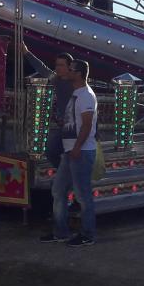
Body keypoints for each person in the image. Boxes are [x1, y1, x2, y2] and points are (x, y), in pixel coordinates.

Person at [41, 59, 98, 247]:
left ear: (79, 74)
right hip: (70, 150)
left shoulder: (86, 96)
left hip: (80, 151)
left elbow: (88, 125)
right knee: (58, 190)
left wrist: (77, 147)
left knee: (82, 195)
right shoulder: (76, 93)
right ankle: (61, 231)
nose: (68, 72)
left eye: (71, 70)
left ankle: (88, 234)